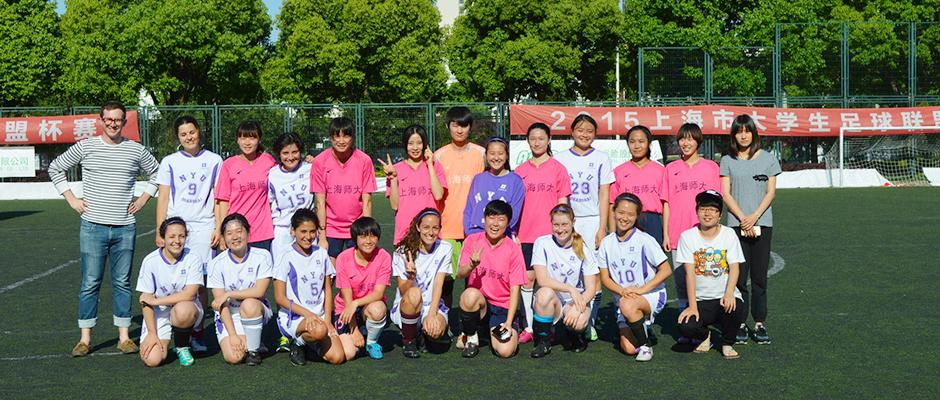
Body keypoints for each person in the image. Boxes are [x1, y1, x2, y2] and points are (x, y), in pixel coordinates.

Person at [48, 101, 160, 357]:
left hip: (125, 228)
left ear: (124, 122)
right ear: (101, 120)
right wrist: (72, 199)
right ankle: (85, 339)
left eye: (117, 119)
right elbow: (56, 168)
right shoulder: (87, 146)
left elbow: (157, 172)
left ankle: (124, 337)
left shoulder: (135, 150)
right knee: (90, 282)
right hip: (92, 227)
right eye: (108, 119)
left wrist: (143, 199)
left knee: (122, 282)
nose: (113, 123)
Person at [154, 115, 223, 352]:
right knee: (177, 280)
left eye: (192, 132)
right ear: (178, 137)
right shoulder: (169, 161)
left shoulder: (215, 160)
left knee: (201, 283)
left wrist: (218, 227)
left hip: (204, 227)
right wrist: (160, 229)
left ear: (199, 132)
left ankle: (197, 332)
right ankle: (177, 328)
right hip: (176, 228)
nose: (188, 137)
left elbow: (218, 196)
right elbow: (163, 197)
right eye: (183, 134)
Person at [552, 114, 615, 341]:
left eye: (589, 130)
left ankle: (589, 320)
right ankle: (565, 314)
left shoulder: (601, 158)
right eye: (580, 130)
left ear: (595, 134)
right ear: (572, 132)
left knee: (594, 273)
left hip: (592, 220)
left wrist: (602, 228)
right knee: (568, 269)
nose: (584, 134)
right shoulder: (560, 159)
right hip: (570, 221)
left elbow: (605, 194)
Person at [719, 114, 781, 345]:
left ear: (753, 132)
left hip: (762, 224)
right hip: (736, 225)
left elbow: (771, 193)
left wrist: (754, 217)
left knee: (759, 277)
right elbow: (726, 193)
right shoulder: (727, 160)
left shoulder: (768, 159)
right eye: (738, 131)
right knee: (739, 278)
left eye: (747, 130)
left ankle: (760, 322)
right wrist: (743, 218)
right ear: (734, 135)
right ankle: (740, 322)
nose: (743, 135)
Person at [598, 193, 673, 362]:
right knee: (629, 348)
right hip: (625, 297)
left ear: (637, 216)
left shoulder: (645, 240)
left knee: (628, 304)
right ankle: (643, 326)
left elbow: (666, 270)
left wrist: (640, 290)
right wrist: (623, 291)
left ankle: (646, 346)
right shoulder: (606, 243)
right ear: (614, 211)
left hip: (651, 295)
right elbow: (605, 278)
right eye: (621, 212)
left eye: (630, 214)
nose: (625, 218)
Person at [515, 122, 571, 345]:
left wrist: (562, 231)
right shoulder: (520, 172)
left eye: (541, 138)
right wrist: (514, 233)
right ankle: (529, 327)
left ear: (548, 140)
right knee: (527, 281)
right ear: (528, 141)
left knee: (548, 283)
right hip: (526, 235)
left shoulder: (558, 168)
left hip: (550, 236)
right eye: (532, 138)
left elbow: (563, 203)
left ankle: (549, 326)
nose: (536, 142)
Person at [676, 190, 747, 359]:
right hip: (701, 300)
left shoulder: (729, 234)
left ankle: (727, 342)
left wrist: (729, 293)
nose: (707, 213)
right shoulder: (687, 237)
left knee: (737, 309)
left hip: (724, 297)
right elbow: (690, 274)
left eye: (713, 210)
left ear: (720, 215)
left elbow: (734, 267)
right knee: (685, 326)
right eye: (703, 209)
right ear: (697, 211)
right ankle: (704, 335)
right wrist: (692, 306)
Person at [272, 209, 346, 366]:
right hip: (295, 317)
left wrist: (328, 319)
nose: (308, 236)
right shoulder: (284, 256)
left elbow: (327, 289)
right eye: (303, 231)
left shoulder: (321, 253)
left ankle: (310, 345)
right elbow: (279, 298)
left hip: (319, 317)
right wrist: (309, 314)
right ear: (293, 231)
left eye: (312, 231)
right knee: (319, 331)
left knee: (338, 357)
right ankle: (297, 343)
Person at [456, 200, 527, 358]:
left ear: (508, 223)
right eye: (491, 218)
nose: (495, 224)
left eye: (501, 219)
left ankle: (491, 331)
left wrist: (509, 322)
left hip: (502, 307)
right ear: (484, 219)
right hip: (480, 305)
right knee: (469, 296)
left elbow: (516, 289)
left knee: (506, 351)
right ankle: (472, 339)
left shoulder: (513, 249)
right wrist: (471, 265)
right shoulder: (472, 241)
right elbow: (460, 274)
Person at [663, 123, 721, 314]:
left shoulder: (711, 167)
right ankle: (685, 322)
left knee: (705, 280)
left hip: (704, 233)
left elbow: (717, 202)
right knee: (681, 282)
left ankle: (704, 321)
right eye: (682, 139)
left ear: (698, 141)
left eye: (690, 138)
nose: (685, 143)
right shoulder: (670, 169)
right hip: (677, 234)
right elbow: (667, 204)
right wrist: (666, 234)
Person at [529, 204, 597, 358]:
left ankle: (574, 334)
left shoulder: (583, 248)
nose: (560, 229)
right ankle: (543, 341)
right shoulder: (542, 243)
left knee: (578, 322)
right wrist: (570, 288)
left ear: (573, 222)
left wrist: (577, 307)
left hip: (575, 300)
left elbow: (591, 288)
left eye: (565, 224)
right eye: (556, 225)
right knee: (543, 294)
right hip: (554, 300)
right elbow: (542, 279)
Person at [433, 107, 485, 308]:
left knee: (474, 282)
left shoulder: (481, 154)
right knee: (446, 282)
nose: (460, 130)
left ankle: (471, 326)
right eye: (455, 125)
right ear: (448, 126)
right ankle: (444, 320)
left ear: (470, 127)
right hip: (447, 229)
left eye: (464, 125)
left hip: (475, 229)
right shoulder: (439, 156)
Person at [136, 217, 204, 367]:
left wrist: (156, 301)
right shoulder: (150, 261)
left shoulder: (193, 258)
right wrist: (152, 333)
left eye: (181, 236)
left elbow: (190, 294)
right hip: (159, 312)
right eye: (172, 236)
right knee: (153, 360)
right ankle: (163, 336)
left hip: (186, 308)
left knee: (183, 309)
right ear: (163, 238)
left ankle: (182, 346)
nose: (177, 241)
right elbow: (146, 301)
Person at [207, 214, 274, 366]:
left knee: (249, 304)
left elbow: (259, 292)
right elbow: (220, 303)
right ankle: (252, 340)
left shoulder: (262, 256)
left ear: (248, 233)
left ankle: (253, 351)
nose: (235, 237)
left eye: (239, 231)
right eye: (229, 233)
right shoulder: (216, 264)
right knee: (234, 357)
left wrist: (229, 293)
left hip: (255, 310)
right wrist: (232, 335)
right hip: (229, 315)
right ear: (223, 238)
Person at [310, 117, 377, 262]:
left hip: (357, 228)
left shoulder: (364, 161)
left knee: (358, 274)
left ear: (352, 137)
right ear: (330, 138)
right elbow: (320, 203)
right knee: (329, 277)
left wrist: (366, 233)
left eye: (346, 135)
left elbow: (367, 201)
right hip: (331, 228)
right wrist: (322, 236)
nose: (341, 141)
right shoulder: (320, 162)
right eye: (337, 136)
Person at [389, 209, 452, 358]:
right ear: (418, 227)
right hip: (409, 303)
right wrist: (411, 277)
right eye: (426, 227)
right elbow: (404, 291)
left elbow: (438, 284)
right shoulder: (402, 251)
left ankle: (422, 333)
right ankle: (409, 340)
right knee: (415, 293)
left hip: (432, 304)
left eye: (435, 228)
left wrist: (431, 314)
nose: (431, 232)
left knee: (436, 332)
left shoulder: (445, 248)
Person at [333, 217, 391, 361]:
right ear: (355, 239)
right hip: (346, 309)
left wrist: (356, 303)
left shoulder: (384, 256)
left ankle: (371, 342)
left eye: (373, 236)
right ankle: (360, 333)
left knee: (378, 309)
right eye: (363, 236)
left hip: (367, 306)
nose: (369, 241)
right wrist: (354, 329)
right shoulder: (343, 258)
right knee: (349, 353)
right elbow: (347, 299)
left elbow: (379, 293)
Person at [378, 125, 446, 245]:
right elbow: (394, 205)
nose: (415, 148)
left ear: (425, 144)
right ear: (405, 145)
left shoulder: (435, 166)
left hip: (430, 235)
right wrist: (393, 178)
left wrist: (430, 165)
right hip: (404, 235)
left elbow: (438, 195)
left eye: (419, 143)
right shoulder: (395, 170)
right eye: (410, 143)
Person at [215, 121, 277, 251]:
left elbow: (286, 172)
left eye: (252, 137)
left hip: (262, 231)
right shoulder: (228, 165)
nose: (247, 142)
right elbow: (222, 202)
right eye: (243, 137)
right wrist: (222, 232)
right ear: (237, 140)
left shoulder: (268, 161)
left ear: (259, 139)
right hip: (236, 232)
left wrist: (308, 163)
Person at [609, 125, 666, 245]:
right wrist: (612, 233)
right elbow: (612, 204)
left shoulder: (660, 170)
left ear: (649, 143)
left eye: (641, 141)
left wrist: (666, 233)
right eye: (632, 141)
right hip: (626, 220)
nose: (636, 146)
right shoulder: (619, 171)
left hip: (653, 220)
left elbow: (666, 204)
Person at [268, 132, 314, 268]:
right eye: (285, 153)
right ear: (279, 154)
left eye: (295, 152)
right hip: (283, 231)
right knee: (282, 274)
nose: (290, 157)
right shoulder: (272, 174)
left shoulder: (310, 169)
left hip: (307, 229)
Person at [463, 136, 525, 237]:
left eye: (500, 154)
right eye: (492, 153)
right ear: (486, 155)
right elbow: (469, 209)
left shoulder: (515, 181)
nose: (496, 158)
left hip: (501, 236)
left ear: (507, 155)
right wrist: (468, 231)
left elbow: (514, 215)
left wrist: (496, 232)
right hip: (476, 235)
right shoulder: (478, 179)